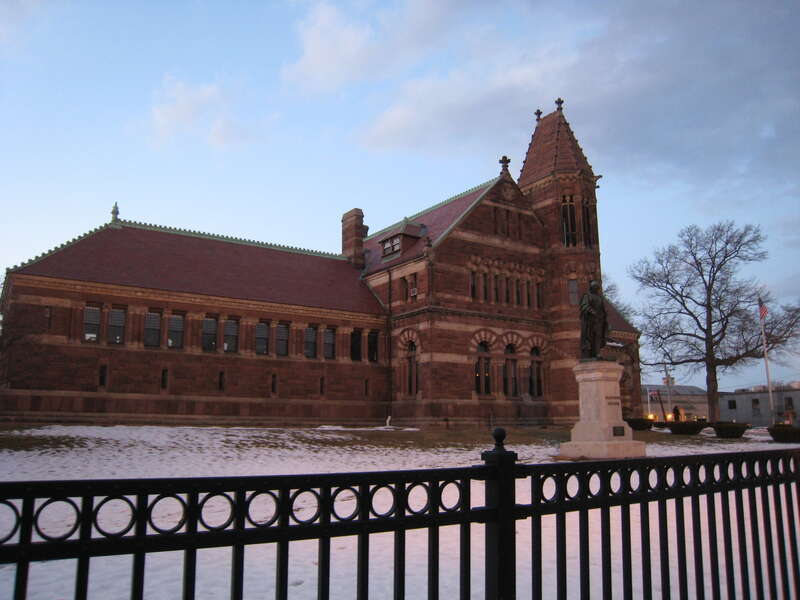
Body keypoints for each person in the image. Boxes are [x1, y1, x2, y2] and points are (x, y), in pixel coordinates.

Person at [579, 280, 608, 359]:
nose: (596, 289)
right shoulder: (587, 296)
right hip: (590, 321)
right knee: (590, 337)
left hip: (599, 320)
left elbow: (603, 309)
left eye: (596, 288)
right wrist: (591, 311)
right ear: (591, 288)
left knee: (598, 336)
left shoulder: (599, 298)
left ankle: (597, 353)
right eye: (594, 287)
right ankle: (590, 353)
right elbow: (584, 306)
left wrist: (604, 317)